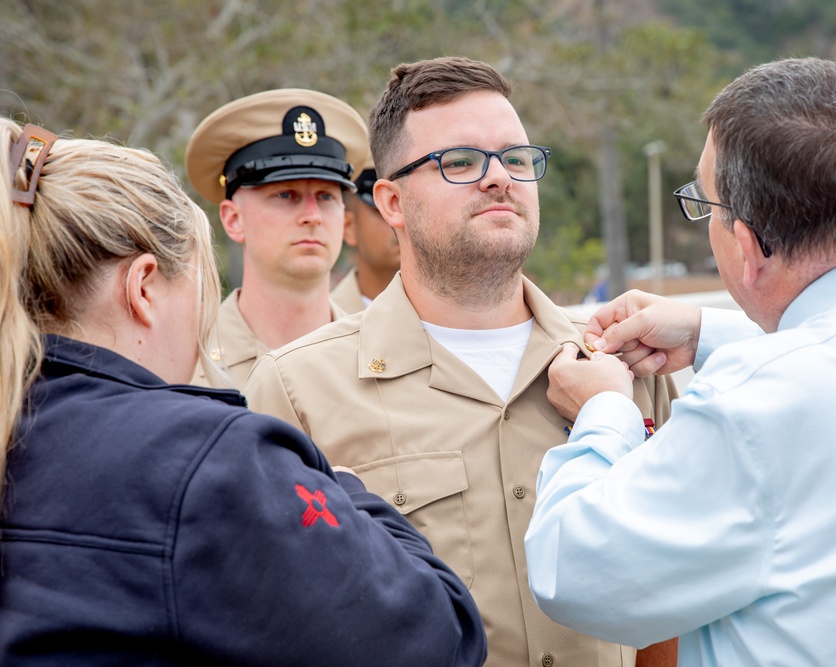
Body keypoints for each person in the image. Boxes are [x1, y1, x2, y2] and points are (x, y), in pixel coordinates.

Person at [524, 57, 836, 666]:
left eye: (706, 205)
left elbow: (576, 570)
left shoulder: (752, 407)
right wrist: (709, 334)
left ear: (747, 246)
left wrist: (602, 411)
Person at [0, 117, 486, 665]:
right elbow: (439, 636)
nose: (309, 214)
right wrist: (342, 490)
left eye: (327, 197)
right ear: (143, 288)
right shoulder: (204, 455)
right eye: (197, 288)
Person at [243, 56, 677, 666]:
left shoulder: (624, 356)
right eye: (461, 162)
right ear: (391, 202)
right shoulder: (299, 389)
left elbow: (670, 598)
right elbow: (281, 621)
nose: (499, 178)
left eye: (516, 158)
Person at [185, 88, 368, 387]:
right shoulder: (185, 361)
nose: (313, 215)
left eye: (325, 196)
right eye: (286, 195)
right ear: (234, 219)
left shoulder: (386, 354)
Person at [330, 156, 400, 313]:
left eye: (409, 207)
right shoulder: (322, 323)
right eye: (383, 209)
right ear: (348, 227)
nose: (401, 219)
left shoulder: (458, 319)